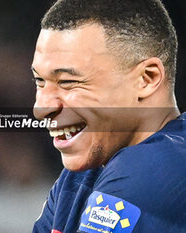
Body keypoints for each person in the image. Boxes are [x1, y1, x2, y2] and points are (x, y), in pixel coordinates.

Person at [31, 0, 186, 232]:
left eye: (68, 82)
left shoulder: (155, 168)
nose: (41, 107)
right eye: (40, 81)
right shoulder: (77, 179)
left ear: (147, 79)